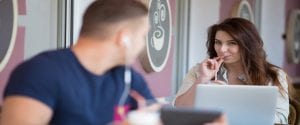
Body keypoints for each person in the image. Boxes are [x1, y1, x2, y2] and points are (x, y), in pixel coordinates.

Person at [1, 0, 154, 124]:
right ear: (124, 38)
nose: (142, 45)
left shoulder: (129, 79)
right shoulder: (40, 73)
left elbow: (154, 117)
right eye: (142, 37)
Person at [174, 17, 292, 124]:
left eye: (232, 43)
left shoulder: (273, 75)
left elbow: (280, 119)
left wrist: (228, 110)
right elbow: (178, 109)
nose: (222, 49)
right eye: (218, 42)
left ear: (248, 45)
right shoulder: (199, 71)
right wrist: (202, 79)